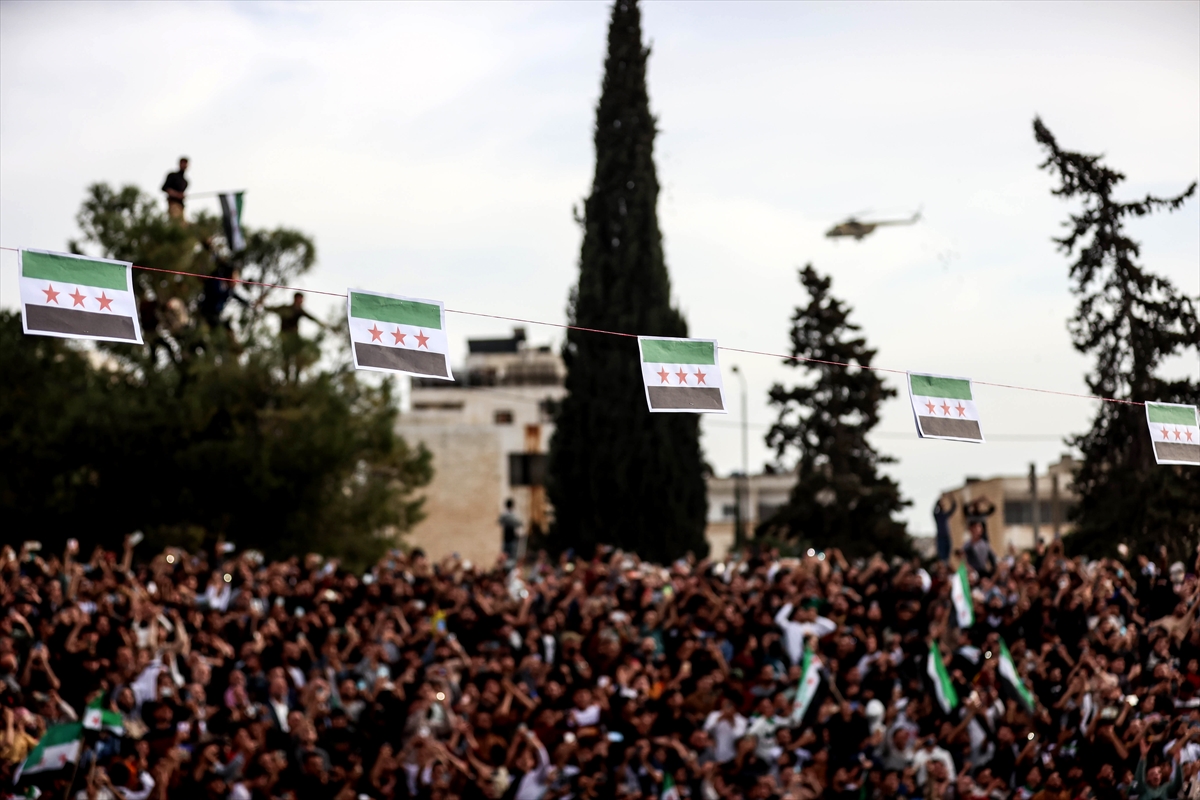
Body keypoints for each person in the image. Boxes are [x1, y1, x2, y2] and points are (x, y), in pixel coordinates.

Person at [265, 292, 325, 380]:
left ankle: (295, 380)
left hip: (295, 338)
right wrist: (263, 306)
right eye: (301, 299)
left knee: (298, 358)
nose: (302, 301)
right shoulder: (286, 308)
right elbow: (272, 309)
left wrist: (322, 324)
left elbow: (311, 317)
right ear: (296, 299)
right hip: (285, 337)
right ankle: (287, 379)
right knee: (286, 358)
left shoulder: (299, 310)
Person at [161, 157, 189, 222]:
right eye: (183, 163)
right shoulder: (172, 176)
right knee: (176, 221)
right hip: (173, 204)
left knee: (183, 224)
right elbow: (164, 188)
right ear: (179, 164)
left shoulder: (185, 181)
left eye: (185, 163)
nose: (184, 165)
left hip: (181, 206)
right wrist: (176, 194)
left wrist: (182, 196)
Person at [933, 494, 957, 563]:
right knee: (942, 556)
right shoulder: (937, 515)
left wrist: (950, 497)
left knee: (948, 554)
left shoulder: (945, 515)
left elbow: (954, 507)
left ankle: (947, 564)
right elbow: (933, 510)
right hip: (941, 537)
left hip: (947, 536)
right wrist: (939, 500)